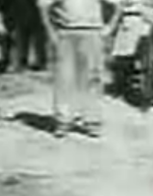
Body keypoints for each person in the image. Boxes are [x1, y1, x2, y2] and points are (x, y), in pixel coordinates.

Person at [39, 0, 109, 137]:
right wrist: (50, 32)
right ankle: (63, 121)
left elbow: (117, 5)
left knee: (92, 78)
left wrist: (109, 28)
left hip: (92, 32)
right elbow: (43, 6)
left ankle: (92, 121)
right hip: (66, 32)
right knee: (65, 78)